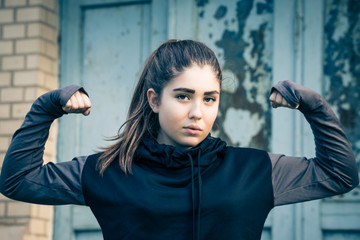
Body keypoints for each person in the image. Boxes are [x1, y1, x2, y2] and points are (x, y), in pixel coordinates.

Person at [0, 39, 358, 240]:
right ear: (155, 99)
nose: (198, 113)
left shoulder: (253, 170)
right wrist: (46, 108)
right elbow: (18, 181)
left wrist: (313, 105)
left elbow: (340, 174)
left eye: (209, 98)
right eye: (183, 96)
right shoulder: (108, 172)